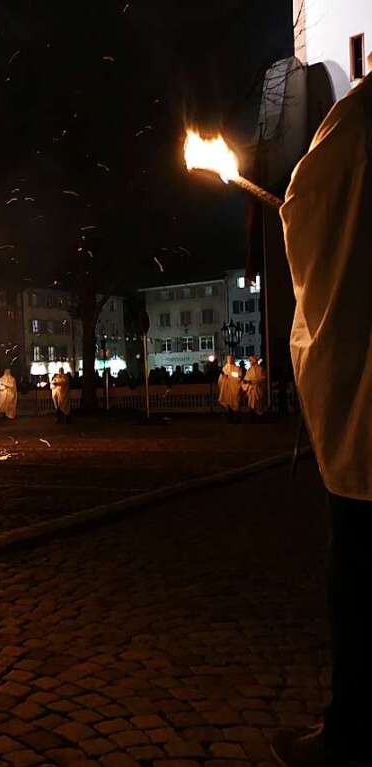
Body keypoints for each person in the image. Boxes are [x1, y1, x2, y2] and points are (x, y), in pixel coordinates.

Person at [272, 64, 372, 767]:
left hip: (371, 421)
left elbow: (310, 208)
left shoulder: (361, 118)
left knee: (361, 581)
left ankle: (353, 736)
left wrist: (289, 203)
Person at [217, 355, 242, 420]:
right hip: (226, 388)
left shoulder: (237, 368)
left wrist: (230, 375)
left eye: (231, 359)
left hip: (234, 387)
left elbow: (239, 377)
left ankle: (236, 416)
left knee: (235, 401)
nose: (230, 360)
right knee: (227, 402)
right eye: (229, 359)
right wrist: (223, 376)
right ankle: (229, 416)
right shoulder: (224, 368)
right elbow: (221, 380)